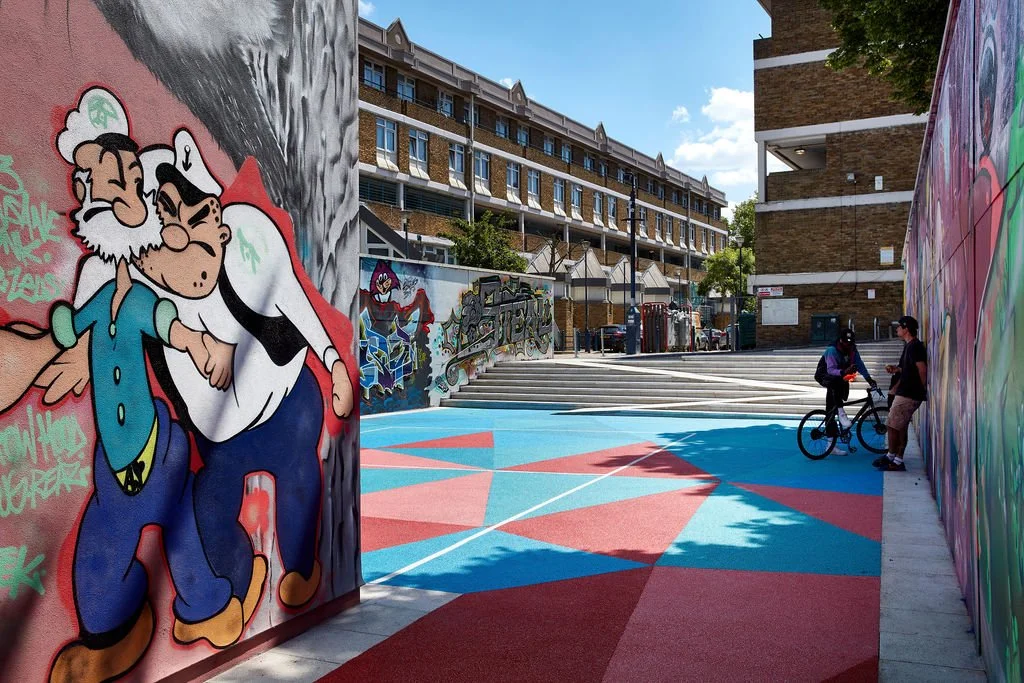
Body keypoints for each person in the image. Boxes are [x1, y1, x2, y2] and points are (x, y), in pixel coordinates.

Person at [873, 315, 927, 472]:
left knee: (893, 424)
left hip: (909, 393)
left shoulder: (915, 346)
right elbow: (910, 369)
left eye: (899, 327)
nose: (896, 329)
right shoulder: (909, 346)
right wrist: (896, 369)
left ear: (906, 329)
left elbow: (922, 370)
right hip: (906, 392)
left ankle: (894, 458)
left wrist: (922, 390)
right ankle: (894, 457)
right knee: (898, 425)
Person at [814, 328, 877, 454]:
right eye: (847, 343)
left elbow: (860, 364)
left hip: (840, 376)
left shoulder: (852, 349)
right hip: (825, 375)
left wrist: (869, 379)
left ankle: (830, 445)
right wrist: (844, 371)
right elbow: (831, 370)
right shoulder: (832, 350)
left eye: (851, 342)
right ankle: (841, 414)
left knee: (832, 408)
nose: (849, 345)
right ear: (841, 341)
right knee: (835, 390)